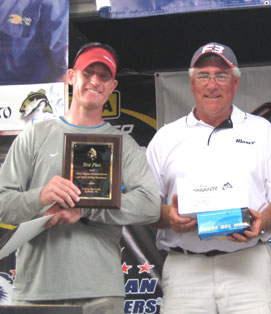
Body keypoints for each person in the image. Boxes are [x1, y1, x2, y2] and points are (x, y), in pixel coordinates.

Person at [0, 42, 160, 313]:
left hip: (99, 293)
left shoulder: (123, 144)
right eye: (88, 72)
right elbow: (3, 203)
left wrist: (86, 207)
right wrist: (41, 195)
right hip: (36, 291)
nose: (95, 81)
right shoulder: (34, 136)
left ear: (112, 86)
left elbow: (150, 204)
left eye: (104, 76)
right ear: (72, 76)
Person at [146, 42, 271, 314]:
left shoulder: (262, 131)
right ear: (192, 84)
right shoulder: (165, 138)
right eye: (203, 75)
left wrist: (264, 221)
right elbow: (148, 206)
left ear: (235, 83)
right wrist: (169, 218)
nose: (212, 85)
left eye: (221, 75)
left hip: (249, 266)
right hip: (185, 270)